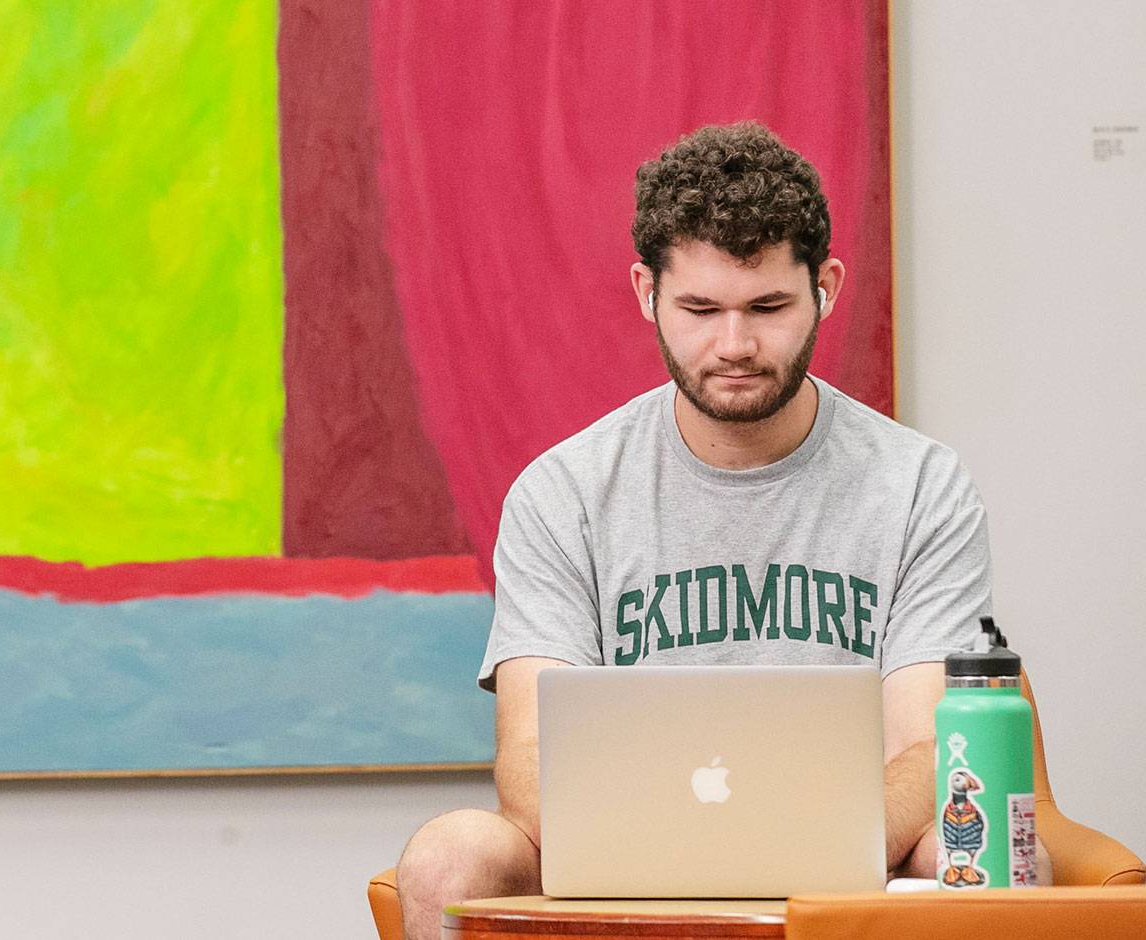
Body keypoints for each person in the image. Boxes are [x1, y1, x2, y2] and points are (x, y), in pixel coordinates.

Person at [396, 121, 1027, 939]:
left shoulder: (918, 488)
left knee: (965, 840)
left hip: (851, 865)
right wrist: (686, 860)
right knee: (448, 854)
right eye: (700, 308)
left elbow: (927, 751)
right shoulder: (566, 493)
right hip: (617, 863)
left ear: (825, 287)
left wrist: (778, 856)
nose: (734, 346)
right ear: (646, 291)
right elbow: (531, 762)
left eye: (768, 306)